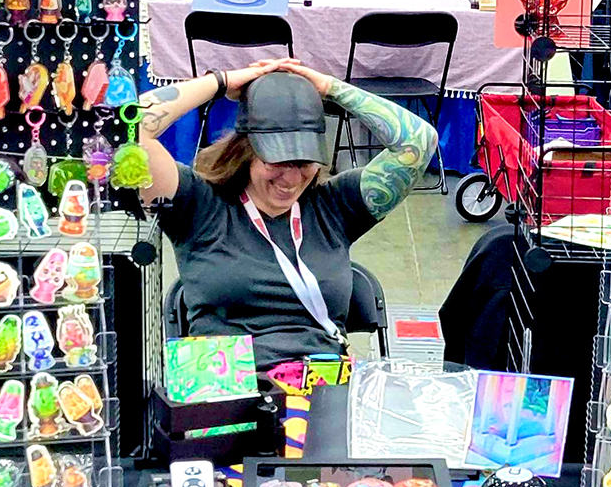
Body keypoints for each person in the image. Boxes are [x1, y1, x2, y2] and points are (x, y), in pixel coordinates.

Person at [140, 59, 437, 372]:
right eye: (277, 161)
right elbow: (129, 127)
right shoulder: (199, 206)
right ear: (247, 149)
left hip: (319, 379)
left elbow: (419, 141)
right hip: (224, 380)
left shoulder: (334, 206)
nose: (292, 180)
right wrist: (221, 81)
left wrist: (329, 87)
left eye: (305, 162)